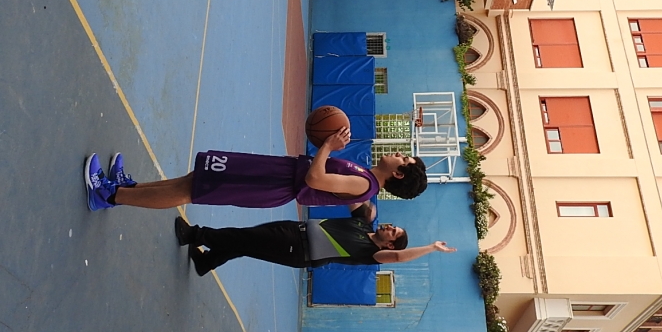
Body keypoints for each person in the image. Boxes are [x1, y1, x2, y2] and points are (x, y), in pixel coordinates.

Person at [82, 128, 428, 211]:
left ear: (398, 174)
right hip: (275, 172)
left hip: (273, 184)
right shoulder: (365, 175)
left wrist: (327, 146)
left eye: (404, 159)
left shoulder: (364, 187)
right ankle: (127, 188)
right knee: (195, 178)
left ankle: (109, 196)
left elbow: (315, 179)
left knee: (191, 191)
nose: (399, 153)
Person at [174, 201, 457, 276]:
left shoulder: (372, 253)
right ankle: (207, 262)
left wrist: (431, 247)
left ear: (390, 243)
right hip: (294, 230)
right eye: (393, 225)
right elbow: (356, 196)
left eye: (393, 232)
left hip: (297, 250)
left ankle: (195, 235)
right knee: (247, 242)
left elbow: (397, 257)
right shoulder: (363, 223)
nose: (390, 227)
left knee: (245, 238)